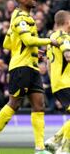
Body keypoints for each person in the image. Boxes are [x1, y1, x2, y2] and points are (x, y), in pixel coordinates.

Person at [0, 0, 58, 154]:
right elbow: (28, 39)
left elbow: (7, 44)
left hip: (31, 66)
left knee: (39, 106)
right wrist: (50, 41)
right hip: (21, 67)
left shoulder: (19, 18)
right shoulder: (20, 18)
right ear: (22, 0)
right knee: (14, 103)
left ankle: (39, 148)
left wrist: (30, 50)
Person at [45, 10, 70, 154]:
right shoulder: (63, 36)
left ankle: (55, 141)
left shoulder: (51, 39)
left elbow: (48, 64)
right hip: (66, 83)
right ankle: (63, 147)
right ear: (67, 22)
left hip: (58, 83)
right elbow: (68, 55)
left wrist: (54, 82)